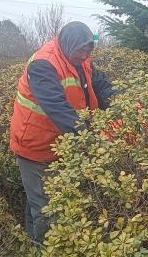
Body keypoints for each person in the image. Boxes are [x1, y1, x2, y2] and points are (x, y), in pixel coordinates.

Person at [9, 22, 114, 242]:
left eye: (89, 50)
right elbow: (59, 109)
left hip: (61, 145)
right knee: (46, 209)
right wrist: (90, 141)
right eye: (80, 50)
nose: (85, 55)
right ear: (67, 45)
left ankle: (31, 243)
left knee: (39, 198)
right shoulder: (43, 65)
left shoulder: (82, 59)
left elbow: (101, 85)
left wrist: (121, 104)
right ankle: (44, 253)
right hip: (36, 146)